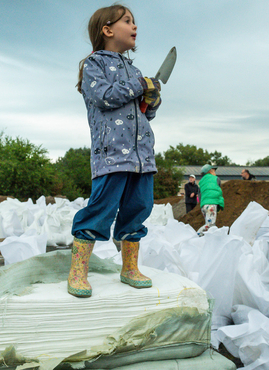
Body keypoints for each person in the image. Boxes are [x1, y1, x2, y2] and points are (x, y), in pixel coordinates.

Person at [67, 4, 162, 298]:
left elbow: (144, 114)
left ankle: (129, 268)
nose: (135, 27)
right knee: (100, 210)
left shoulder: (134, 70)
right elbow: (104, 97)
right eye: (128, 21)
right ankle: (78, 272)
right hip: (112, 155)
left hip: (141, 157)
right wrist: (139, 85)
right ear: (108, 30)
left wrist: (153, 99)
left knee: (138, 210)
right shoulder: (94, 65)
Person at [197, 164, 224, 236]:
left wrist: (202, 204)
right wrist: (220, 204)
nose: (215, 172)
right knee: (210, 225)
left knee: (210, 224)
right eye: (214, 170)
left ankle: (207, 241)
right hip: (211, 204)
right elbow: (219, 192)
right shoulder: (216, 179)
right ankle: (197, 236)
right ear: (210, 171)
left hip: (204, 205)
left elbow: (199, 195)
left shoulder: (201, 182)